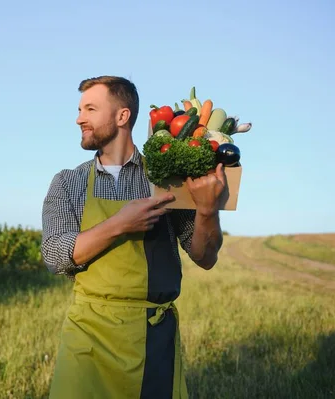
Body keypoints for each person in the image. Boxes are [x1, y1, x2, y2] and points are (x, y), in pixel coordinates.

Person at [41, 75, 227, 399]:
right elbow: (55, 256)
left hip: (152, 338)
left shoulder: (167, 179)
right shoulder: (67, 182)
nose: (78, 118)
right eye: (79, 109)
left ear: (122, 116)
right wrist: (119, 224)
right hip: (88, 338)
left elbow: (204, 257)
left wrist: (208, 211)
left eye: (90, 108)